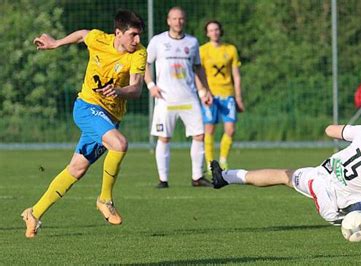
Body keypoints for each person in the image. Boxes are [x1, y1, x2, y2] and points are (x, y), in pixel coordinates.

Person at [21, 10, 147, 238]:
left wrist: (119, 91)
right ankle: (105, 200)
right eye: (133, 35)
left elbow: (137, 89)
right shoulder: (99, 39)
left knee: (76, 169)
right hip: (87, 108)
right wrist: (56, 43)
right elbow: (82, 34)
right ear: (118, 33)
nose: (137, 40)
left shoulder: (139, 54)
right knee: (120, 144)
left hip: (110, 118)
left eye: (139, 36)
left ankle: (34, 213)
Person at [211, 121, 361, 235]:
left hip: (318, 176)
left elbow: (329, 130)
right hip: (335, 206)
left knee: (284, 175)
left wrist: (348, 132)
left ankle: (225, 176)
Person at [145, 7, 213, 188]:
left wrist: (204, 91)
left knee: (199, 134)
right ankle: (163, 179)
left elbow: (198, 68)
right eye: (174, 19)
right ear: (168, 21)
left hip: (189, 98)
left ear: (185, 20)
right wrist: (151, 86)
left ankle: (197, 178)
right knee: (164, 138)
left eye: (181, 19)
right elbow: (144, 63)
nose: (178, 22)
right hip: (165, 99)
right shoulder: (158, 41)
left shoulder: (192, 42)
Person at [199, 20, 244, 171]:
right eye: (211, 30)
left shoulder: (230, 49)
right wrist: (203, 92)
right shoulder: (203, 50)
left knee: (230, 129)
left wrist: (238, 97)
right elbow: (199, 74)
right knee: (209, 129)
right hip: (210, 95)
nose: (214, 32)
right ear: (207, 33)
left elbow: (236, 76)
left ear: (220, 31)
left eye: (216, 29)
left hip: (227, 94)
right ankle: (211, 163)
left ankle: (223, 160)